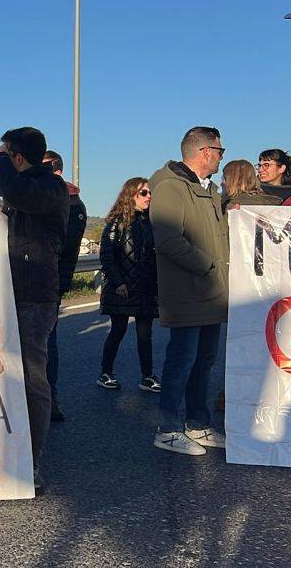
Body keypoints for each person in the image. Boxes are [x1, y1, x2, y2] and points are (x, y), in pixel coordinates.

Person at [0, 127, 69, 492]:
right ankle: (11, 453)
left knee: (32, 379)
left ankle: (31, 461)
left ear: (18, 158)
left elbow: (14, 190)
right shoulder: (29, 193)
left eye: (8, 155)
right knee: (10, 376)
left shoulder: (49, 188)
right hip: (13, 292)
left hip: (34, 297)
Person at [149, 126, 229, 456]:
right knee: (181, 360)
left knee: (205, 361)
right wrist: (209, 266)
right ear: (204, 151)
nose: (221, 157)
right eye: (219, 151)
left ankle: (198, 423)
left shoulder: (208, 190)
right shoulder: (171, 188)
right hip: (188, 291)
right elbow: (168, 241)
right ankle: (167, 429)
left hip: (212, 293)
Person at [97, 178, 160, 392]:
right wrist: (118, 282)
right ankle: (105, 372)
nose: (148, 196)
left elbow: (154, 257)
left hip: (145, 287)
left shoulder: (150, 222)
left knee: (145, 333)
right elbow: (107, 255)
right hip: (122, 288)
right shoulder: (116, 222)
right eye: (143, 193)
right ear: (131, 195)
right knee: (118, 330)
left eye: (149, 193)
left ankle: (147, 376)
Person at [41, 151, 87, 424]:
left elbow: (62, 247)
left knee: (46, 342)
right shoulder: (72, 202)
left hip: (48, 281)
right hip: (53, 280)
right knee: (47, 341)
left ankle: (48, 399)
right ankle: (47, 399)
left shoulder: (65, 203)